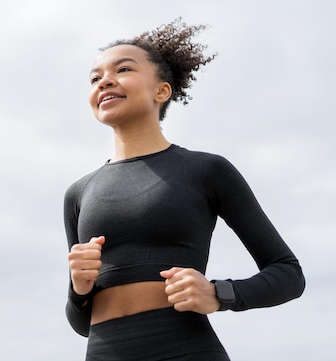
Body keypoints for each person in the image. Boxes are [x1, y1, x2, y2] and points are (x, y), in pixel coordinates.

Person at [63, 18, 305, 361]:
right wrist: (79, 288)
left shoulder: (206, 170)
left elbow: (288, 273)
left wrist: (219, 293)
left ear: (162, 90)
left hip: (186, 349)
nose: (105, 81)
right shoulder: (78, 193)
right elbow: (80, 322)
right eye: (95, 77)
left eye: (124, 69)